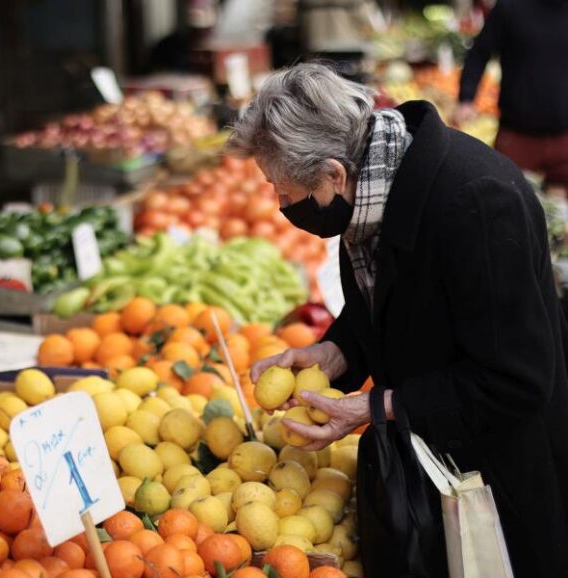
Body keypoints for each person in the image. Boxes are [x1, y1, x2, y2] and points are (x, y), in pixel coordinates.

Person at [229, 62, 568, 577]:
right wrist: (336, 352)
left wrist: (377, 406)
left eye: (284, 190)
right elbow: (398, 304)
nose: (281, 205)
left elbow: (515, 378)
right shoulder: (372, 189)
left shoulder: (476, 202)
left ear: (333, 174)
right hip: (437, 465)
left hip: (501, 483)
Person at [453, 0, 568, 191]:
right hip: (517, 135)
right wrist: (466, 98)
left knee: (559, 206)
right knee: (506, 200)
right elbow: (479, 53)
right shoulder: (510, 7)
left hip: (563, 139)